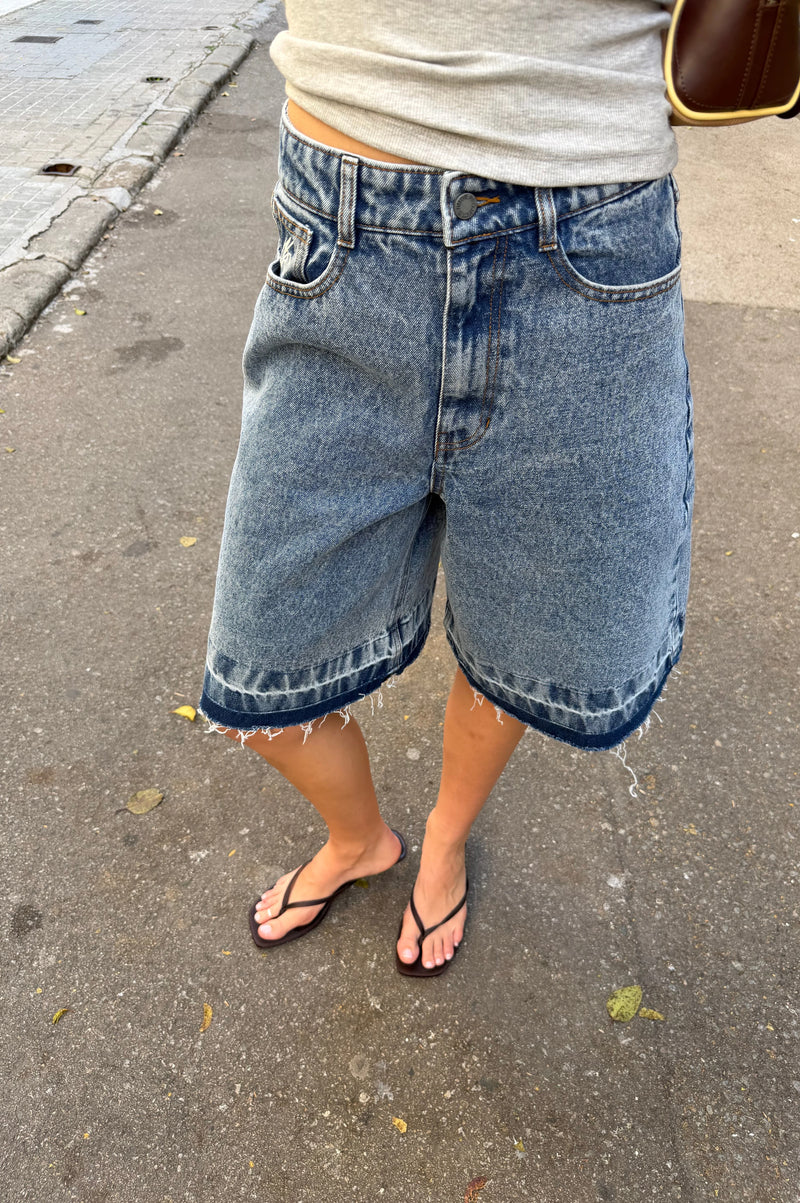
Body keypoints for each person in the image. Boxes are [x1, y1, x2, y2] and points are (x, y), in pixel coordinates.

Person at [198, 0, 692, 977]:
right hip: (340, 231)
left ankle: (446, 834)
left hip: (586, 240)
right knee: (259, 673)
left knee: (524, 638)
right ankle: (359, 840)